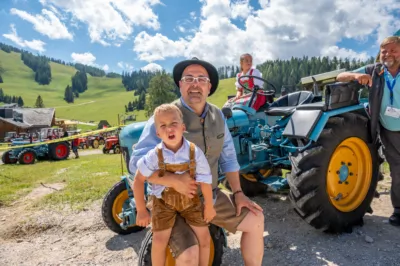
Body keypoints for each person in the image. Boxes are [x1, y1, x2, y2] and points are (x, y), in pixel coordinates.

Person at [129, 57, 265, 266]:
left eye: (201, 79)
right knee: (189, 257)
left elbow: (228, 158)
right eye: (189, 78)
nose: (195, 83)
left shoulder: (218, 116)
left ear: (209, 87)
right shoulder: (167, 116)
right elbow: (136, 163)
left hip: (209, 195)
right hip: (169, 200)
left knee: (255, 219)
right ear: (180, 84)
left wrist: (238, 193)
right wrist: (174, 181)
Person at [133, 103, 216, 266]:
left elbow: (205, 180)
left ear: (183, 127)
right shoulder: (154, 155)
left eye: (173, 124)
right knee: (158, 241)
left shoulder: (194, 152)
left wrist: (209, 206)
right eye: (163, 125)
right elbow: (138, 180)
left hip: (190, 202)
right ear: (157, 133)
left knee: (205, 238)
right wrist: (141, 210)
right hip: (163, 204)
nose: (169, 129)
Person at [336, 36, 400, 226]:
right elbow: (340, 77)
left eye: (393, 50)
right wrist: (357, 77)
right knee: (397, 169)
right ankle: (398, 210)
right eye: (384, 51)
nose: (387, 54)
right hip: (389, 129)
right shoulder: (375, 71)